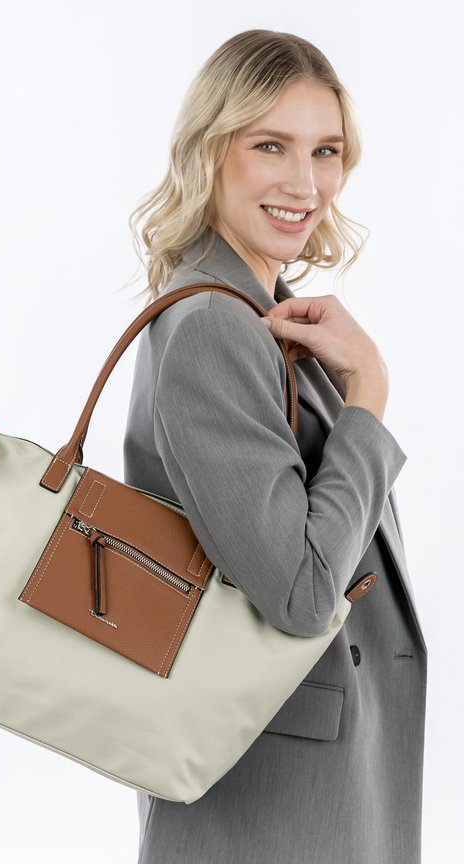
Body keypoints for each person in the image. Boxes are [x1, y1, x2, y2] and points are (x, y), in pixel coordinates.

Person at [122, 29, 427, 864]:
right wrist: (368, 392)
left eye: (325, 151)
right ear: (210, 151)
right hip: (271, 798)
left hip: (298, 780)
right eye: (270, 146)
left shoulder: (256, 314)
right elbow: (301, 592)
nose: (306, 183)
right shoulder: (212, 327)